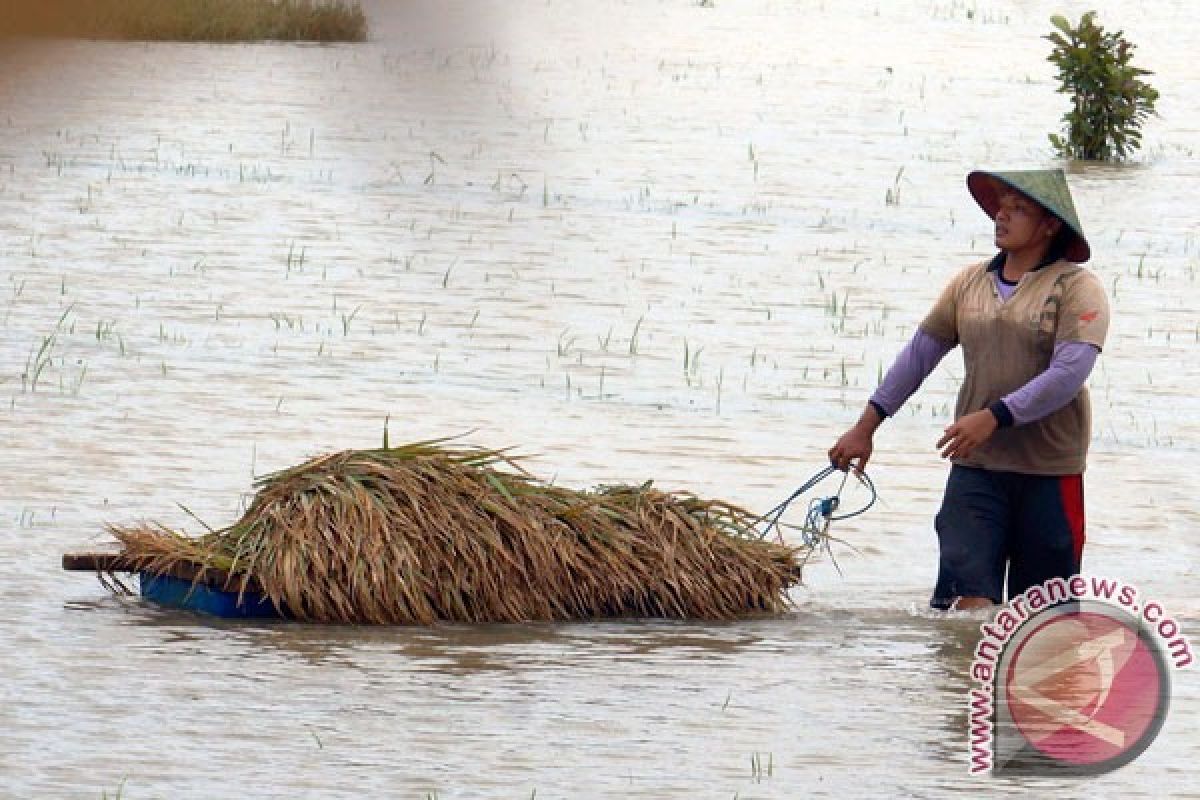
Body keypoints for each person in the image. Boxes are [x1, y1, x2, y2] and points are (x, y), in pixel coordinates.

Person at [829, 169, 1110, 611]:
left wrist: (994, 416)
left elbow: (1069, 374)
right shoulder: (968, 284)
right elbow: (920, 354)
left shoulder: (1076, 288)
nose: (1002, 216)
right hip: (977, 467)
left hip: (1049, 471)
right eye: (1001, 206)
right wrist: (866, 426)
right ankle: (961, 680)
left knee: (1041, 618)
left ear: (1050, 225)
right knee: (965, 604)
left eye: (1019, 209)